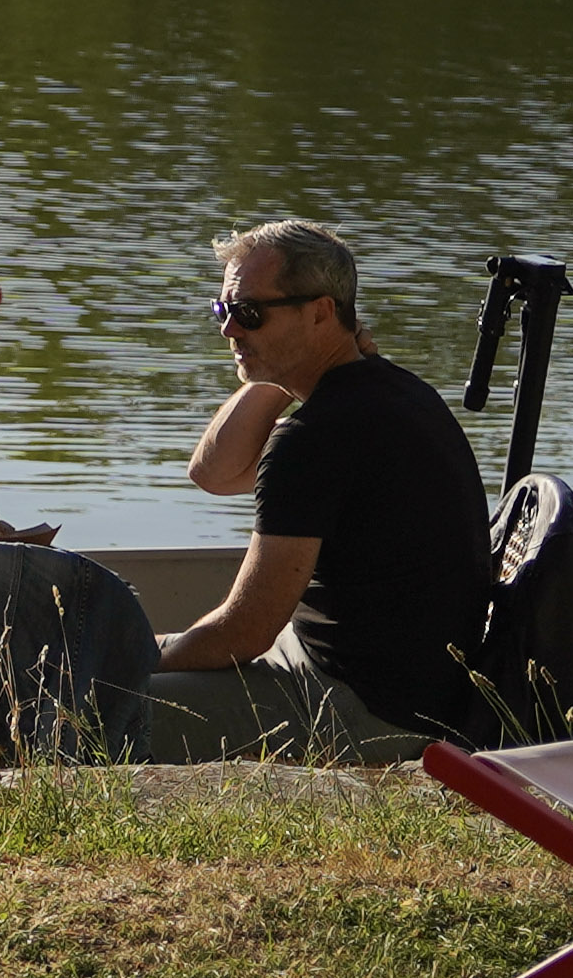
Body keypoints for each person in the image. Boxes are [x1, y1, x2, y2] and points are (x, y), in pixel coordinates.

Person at [153, 218, 492, 749]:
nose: (228, 330)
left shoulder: (316, 437)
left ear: (320, 312)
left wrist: (145, 658)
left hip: (369, 714)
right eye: (223, 311)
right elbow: (213, 474)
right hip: (389, 686)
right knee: (139, 659)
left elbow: (244, 632)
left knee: (103, 699)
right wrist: (281, 376)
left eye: (249, 313)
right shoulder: (394, 391)